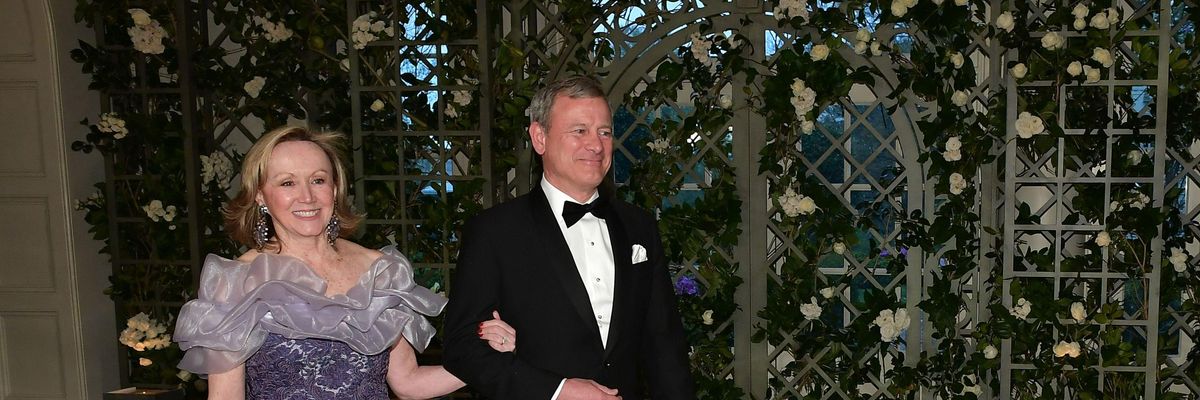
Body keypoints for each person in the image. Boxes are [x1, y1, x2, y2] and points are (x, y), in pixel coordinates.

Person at [173, 126, 517, 399]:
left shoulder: (379, 270)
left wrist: (487, 357)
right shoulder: (238, 281)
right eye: (287, 183)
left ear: (335, 189)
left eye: (318, 180)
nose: (306, 196)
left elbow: (408, 383)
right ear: (261, 195)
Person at [443, 76, 695, 400]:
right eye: (580, 131)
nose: (596, 144)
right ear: (539, 138)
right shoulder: (494, 232)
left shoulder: (639, 227)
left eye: (604, 132)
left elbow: (665, 348)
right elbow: (462, 348)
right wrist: (558, 390)